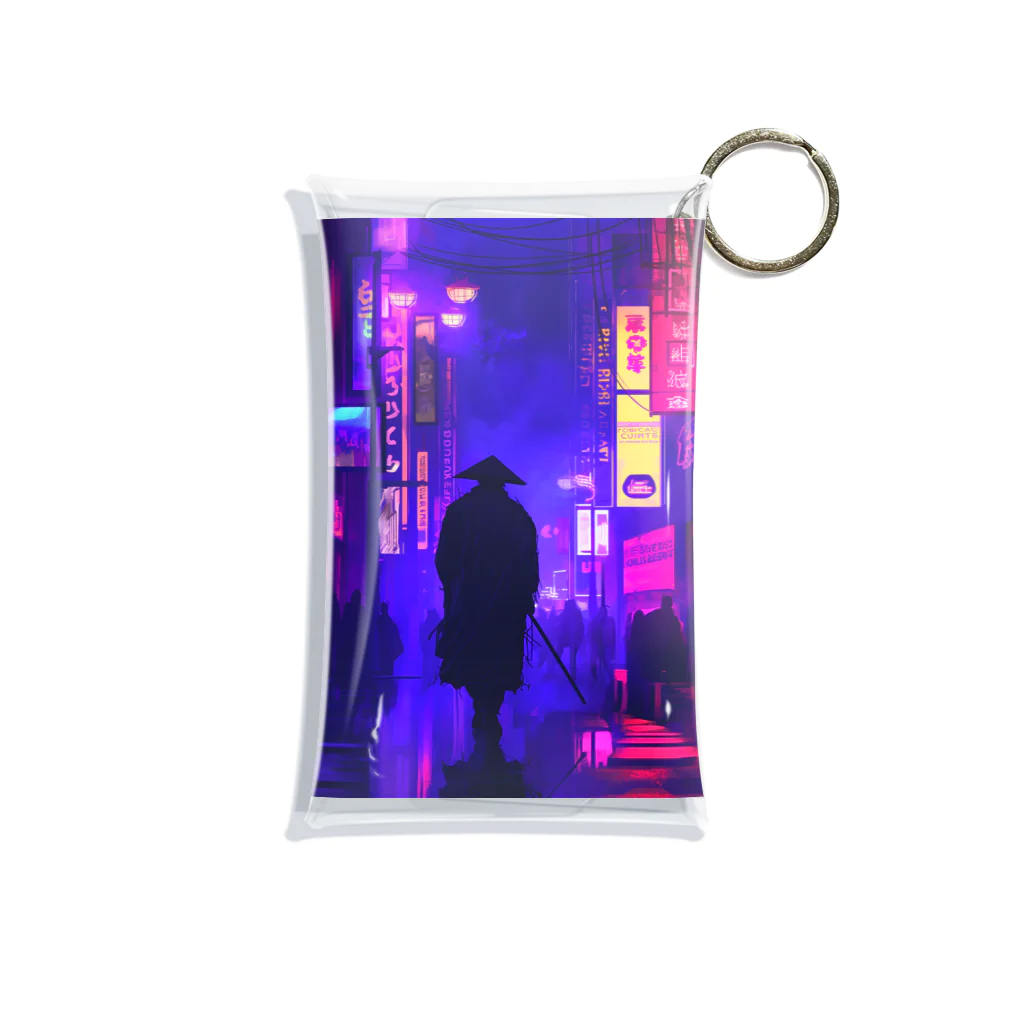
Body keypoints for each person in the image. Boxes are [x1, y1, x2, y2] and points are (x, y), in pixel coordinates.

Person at [434, 455, 540, 737]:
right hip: (507, 602)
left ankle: (482, 706)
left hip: (468, 599)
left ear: (478, 481)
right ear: (503, 483)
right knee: (502, 653)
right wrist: (526, 592)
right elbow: (530, 561)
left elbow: (443, 559)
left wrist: (453, 589)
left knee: (470, 650)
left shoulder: (458, 512)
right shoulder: (517, 515)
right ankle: (489, 708)